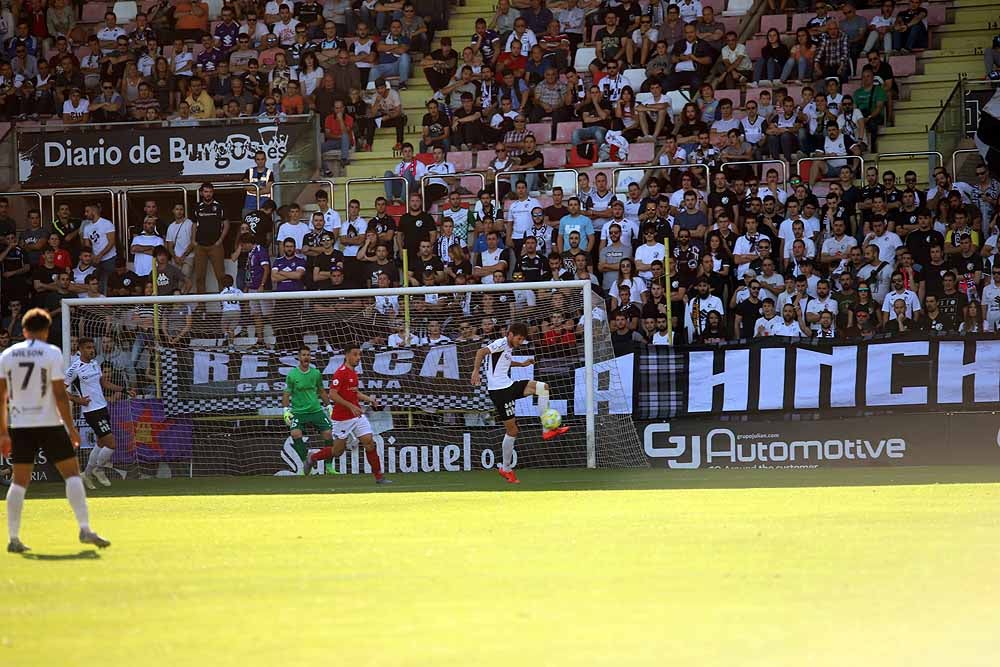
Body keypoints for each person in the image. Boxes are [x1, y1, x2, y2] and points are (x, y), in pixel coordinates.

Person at [1, 308, 111, 553]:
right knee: (72, 474)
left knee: (19, 482)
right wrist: (71, 428)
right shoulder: (52, 352)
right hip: (49, 422)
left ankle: (13, 538)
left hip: (20, 425)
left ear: (24, 330)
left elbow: (1, 396)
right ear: (47, 331)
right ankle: (84, 528)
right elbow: (60, 395)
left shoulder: (7, 355)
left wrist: (2, 432)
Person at [470, 322, 569, 484]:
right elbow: (481, 352)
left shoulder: (508, 348)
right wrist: (475, 371)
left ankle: (547, 429)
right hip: (499, 392)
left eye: (522, 339)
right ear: (510, 334)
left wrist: (521, 364)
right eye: (519, 338)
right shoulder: (501, 343)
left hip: (508, 385)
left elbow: (505, 361)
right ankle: (506, 469)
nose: (520, 342)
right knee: (512, 431)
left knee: (543, 388)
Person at [302, 344, 391, 484]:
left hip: (357, 416)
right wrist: (350, 406)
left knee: (369, 442)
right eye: (355, 354)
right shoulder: (341, 372)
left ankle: (379, 477)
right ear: (347, 355)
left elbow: (355, 392)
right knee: (338, 451)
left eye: (359, 355)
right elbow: (332, 394)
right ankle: (312, 457)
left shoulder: (354, 373)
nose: (358, 358)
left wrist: (370, 399)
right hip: (341, 418)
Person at [65, 337, 131, 489]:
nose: (92, 350)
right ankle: (98, 469)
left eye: (92, 347)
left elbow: (103, 383)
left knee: (101, 442)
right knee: (111, 444)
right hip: (91, 411)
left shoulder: (95, 363)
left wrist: (124, 390)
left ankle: (87, 474)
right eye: (88, 347)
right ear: (80, 349)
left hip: (102, 407)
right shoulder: (74, 368)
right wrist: (78, 400)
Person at [280, 346, 337, 475]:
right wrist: (285, 410)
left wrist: (328, 406)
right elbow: (286, 393)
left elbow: (321, 391)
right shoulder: (292, 374)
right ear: (299, 357)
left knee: (328, 434)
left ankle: (329, 466)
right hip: (299, 412)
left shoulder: (316, 373)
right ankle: (307, 461)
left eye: (308, 355)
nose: (306, 357)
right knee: (295, 434)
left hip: (315, 410)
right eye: (303, 355)